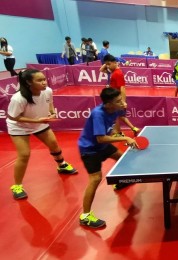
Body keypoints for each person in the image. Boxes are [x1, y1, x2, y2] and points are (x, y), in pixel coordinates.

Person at [6, 69, 77, 200]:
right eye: (39, 80)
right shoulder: (19, 98)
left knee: (54, 145)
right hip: (19, 127)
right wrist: (36, 121)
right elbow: (13, 117)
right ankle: (17, 186)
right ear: (28, 82)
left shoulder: (47, 91)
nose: (44, 82)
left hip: (40, 122)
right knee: (24, 154)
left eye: (44, 79)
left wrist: (52, 113)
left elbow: (50, 104)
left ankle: (61, 165)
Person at [78, 87, 139, 228]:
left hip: (104, 146)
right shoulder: (98, 114)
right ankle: (85, 216)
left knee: (122, 158)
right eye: (118, 101)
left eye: (122, 99)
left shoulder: (115, 109)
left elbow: (116, 121)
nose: (122, 103)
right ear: (108, 104)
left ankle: (121, 182)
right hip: (90, 149)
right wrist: (124, 138)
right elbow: (100, 138)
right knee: (95, 178)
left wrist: (121, 133)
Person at [100, 54, 139, 136]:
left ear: (114, 63)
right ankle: (129, 129)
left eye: (109, 64)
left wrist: (123, 102)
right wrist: (107, 62)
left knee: (117, 116)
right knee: (119, 116)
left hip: (117, 99)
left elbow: (122, 88)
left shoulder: (118, 73)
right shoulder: (112, 71)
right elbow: (101, 70)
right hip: (113, 98)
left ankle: (121, 131)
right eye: (107, 64)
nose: (108, 66)